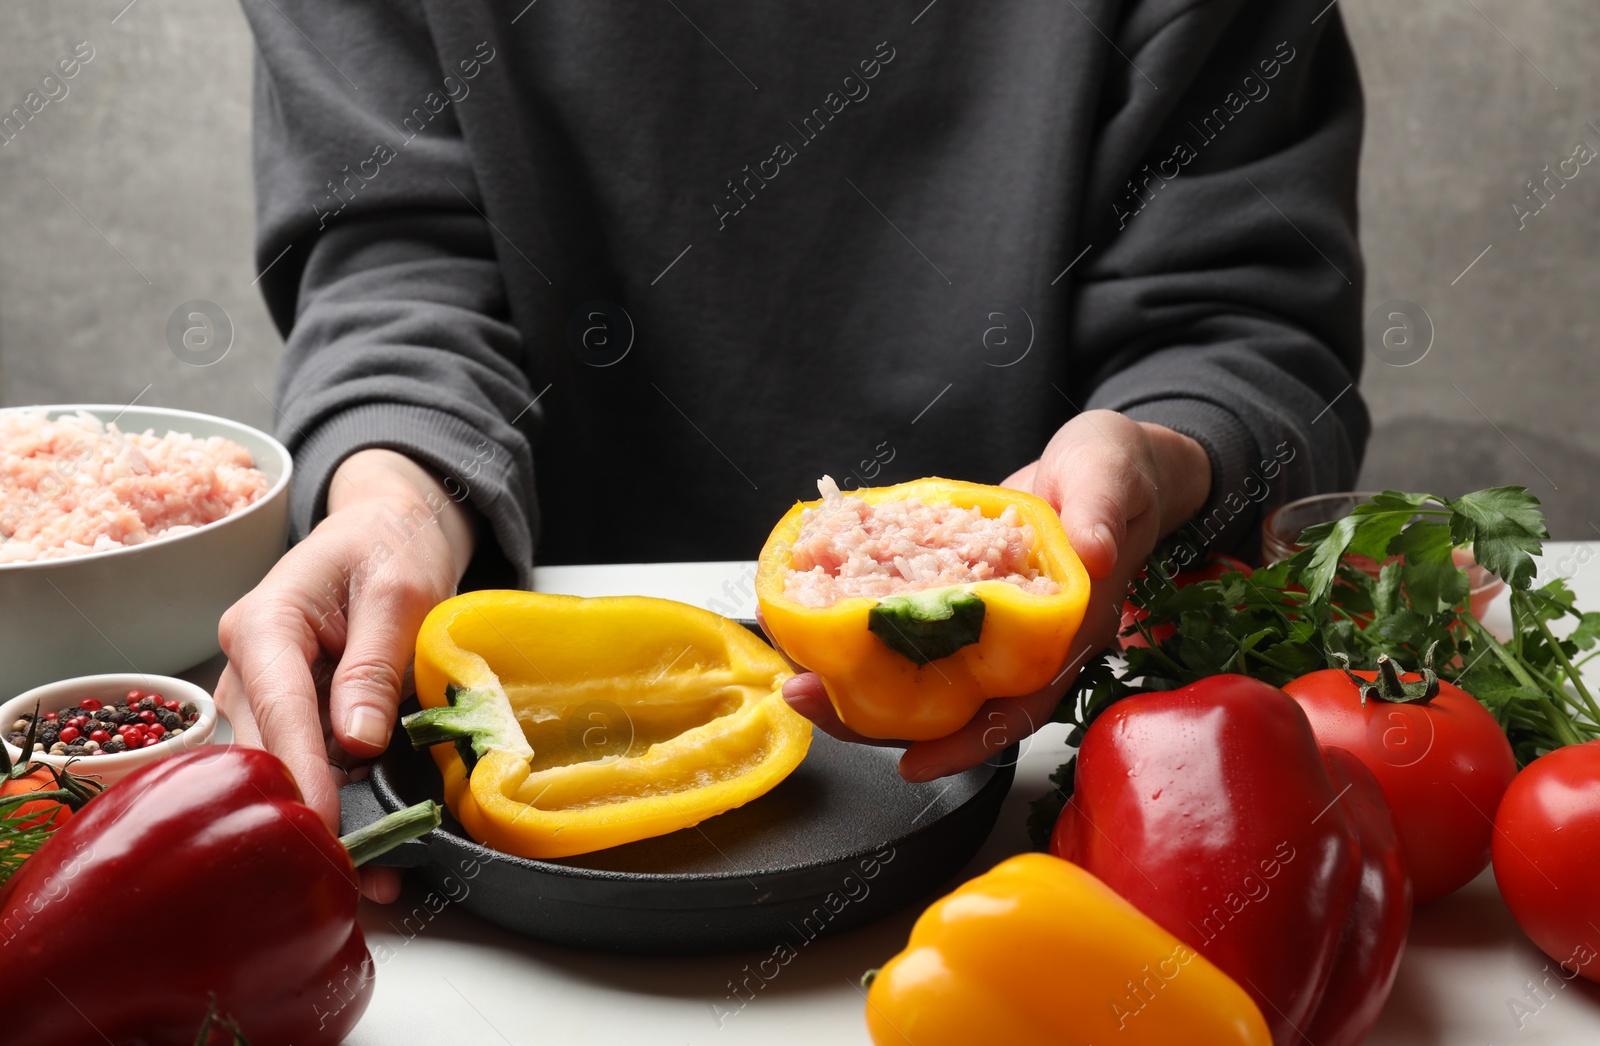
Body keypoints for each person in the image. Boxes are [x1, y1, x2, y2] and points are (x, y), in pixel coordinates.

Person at [222, 0, 1368, 900]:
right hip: (511, 727)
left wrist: (1161, 460)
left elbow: (1242, 318)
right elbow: (398, 255)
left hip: (1068, 774)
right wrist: (391, 497)